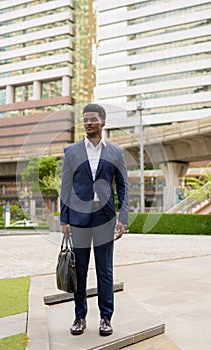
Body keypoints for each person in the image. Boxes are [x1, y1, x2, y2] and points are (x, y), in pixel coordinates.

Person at [60, 103, 129, 336]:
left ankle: (106, 318)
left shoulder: (116, 152)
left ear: (103, 123)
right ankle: (79, 316)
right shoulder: (71, 152)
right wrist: (64, 219)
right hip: (78, 220)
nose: (88, 122)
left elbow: (123, 188)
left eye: (93, 119)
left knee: (105, 271)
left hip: (105, 218)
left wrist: (124, 218)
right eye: (85, 119)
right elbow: (65, 188)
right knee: (78, 270)